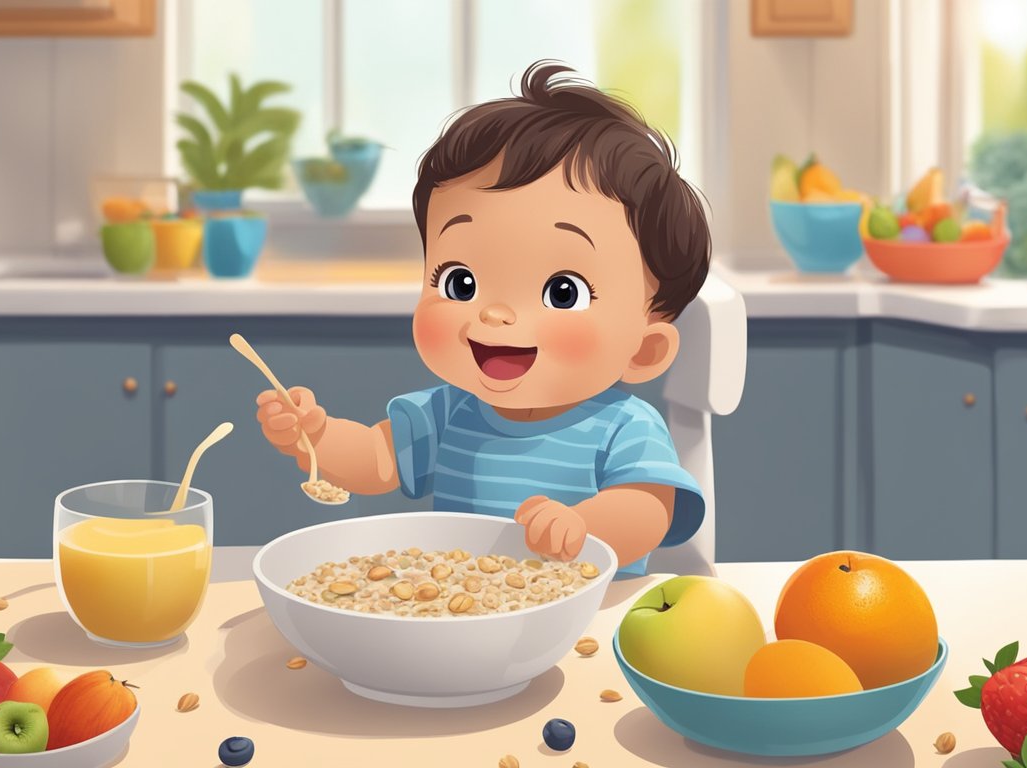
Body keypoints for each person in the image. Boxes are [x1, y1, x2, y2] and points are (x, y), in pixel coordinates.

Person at [253, 61, 712, 575]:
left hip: (588, 623)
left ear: (644, 350)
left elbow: (649, 509)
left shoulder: (624, 427)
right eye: (460, 283)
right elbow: (376, 460)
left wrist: (584, 526)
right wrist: (316, 436)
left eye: (563, 292)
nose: (494, 314)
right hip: (464, 617)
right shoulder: (449, 413)